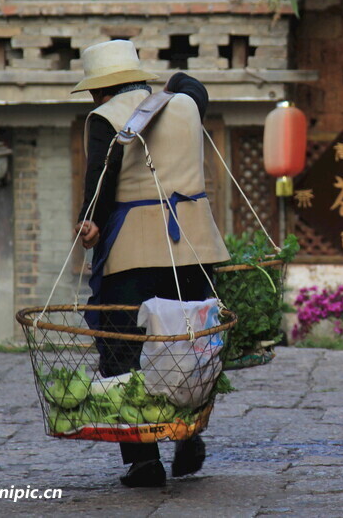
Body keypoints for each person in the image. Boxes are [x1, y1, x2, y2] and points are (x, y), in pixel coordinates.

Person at [71, 40, 230, 488]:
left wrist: (91, 222)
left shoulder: (104, 118)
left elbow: (101, 177)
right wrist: (175, 83)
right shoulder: (184, 105)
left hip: (134, 253)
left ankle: (144, 461)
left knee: (121, 351)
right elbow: (191, 86)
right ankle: (188, 435)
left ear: (101, 90)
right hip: (194, 248)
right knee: (191, 346)